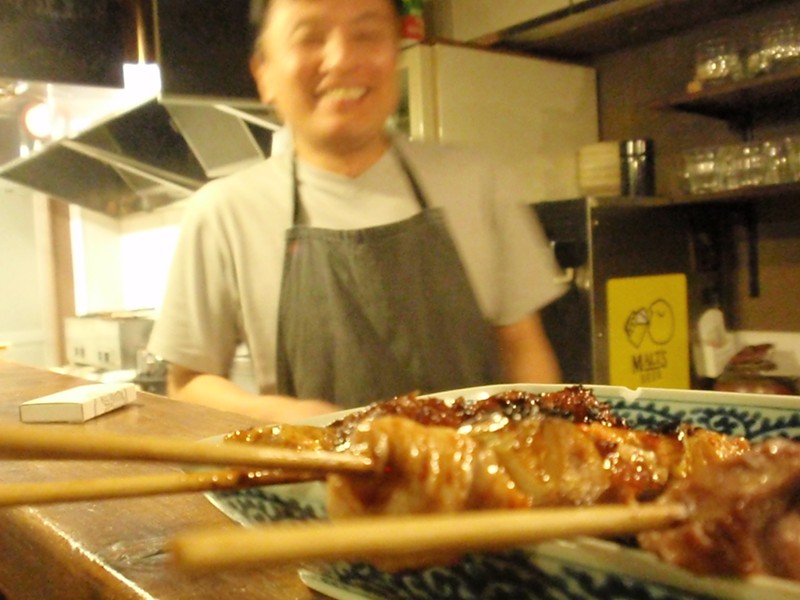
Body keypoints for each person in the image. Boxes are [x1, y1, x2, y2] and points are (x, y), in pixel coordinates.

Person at [147, 0, 566, 423]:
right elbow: (187, 384)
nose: (341, 58)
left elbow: (524, 350)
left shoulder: (477, 183)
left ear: (396, 51)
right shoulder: (224, 213)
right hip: (310, 467)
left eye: (366, 34)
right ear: (265, 74)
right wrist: (275, 415)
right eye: (309, 37)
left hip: (475, 464)